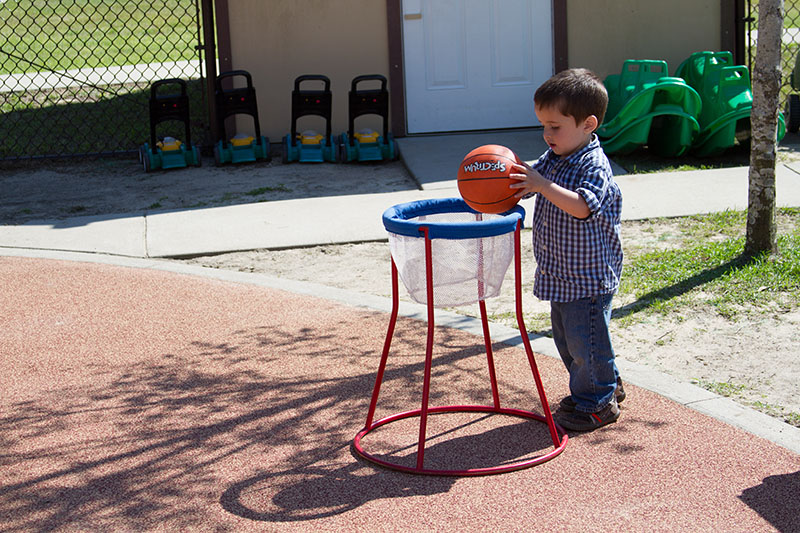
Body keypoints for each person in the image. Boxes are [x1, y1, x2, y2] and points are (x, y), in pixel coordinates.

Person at [509, 68, 625, 431]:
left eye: (555, 126)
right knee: (573, 340)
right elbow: (533, 183)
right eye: (543, 125)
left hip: (588, 277)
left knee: (585, 343)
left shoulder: (594, 163)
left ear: (588, 124)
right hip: (561, 273)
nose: (547, 134)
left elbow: (582, 206)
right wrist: (513, 185)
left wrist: (542, 185)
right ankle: (607, 385)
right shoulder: (554, 157)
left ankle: (598, 402)